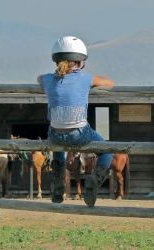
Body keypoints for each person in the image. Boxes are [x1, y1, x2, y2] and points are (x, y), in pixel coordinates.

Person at [37, 35, 114, 206]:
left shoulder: (49, 79)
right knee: (108, 149)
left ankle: (58, 181)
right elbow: (110, 82)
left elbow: (39, 78)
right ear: (80, 62)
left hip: (56, 133)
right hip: (79, 133)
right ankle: (96, 178)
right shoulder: (85, 79)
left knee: (57, 143)